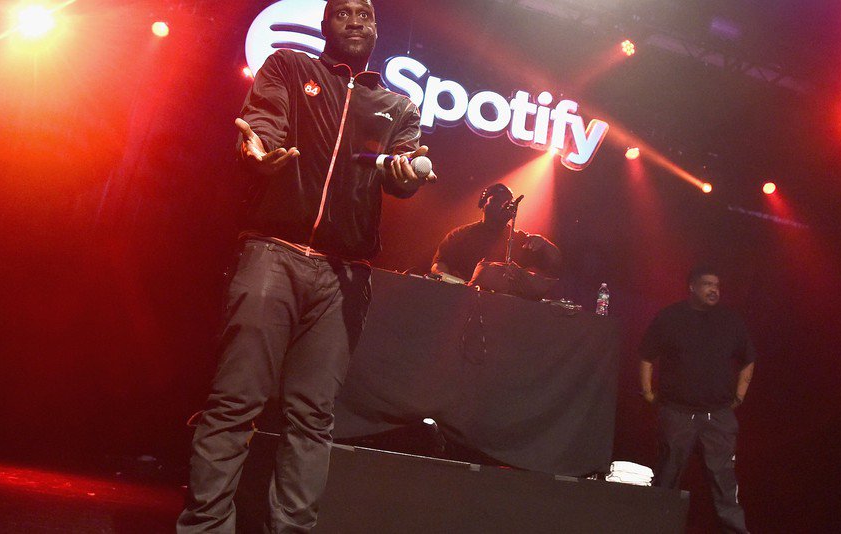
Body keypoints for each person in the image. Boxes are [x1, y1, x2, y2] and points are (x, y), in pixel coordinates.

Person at [177, 1, 435, 531]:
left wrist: (410, 174)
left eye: (365, 13)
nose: (355, 20)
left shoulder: (397, 104)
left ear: (376, 28)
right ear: (324, 24)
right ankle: (205, 526)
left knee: (313, 418)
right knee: (235, 402)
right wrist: (256, 148)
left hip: (344, 274)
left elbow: (404, 168)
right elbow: (263, 123)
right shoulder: (290, 67)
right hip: (273, 252)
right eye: (343, 12)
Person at [639, 266, 756, 534]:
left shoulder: (730, 320)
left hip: (718, 417)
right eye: (707, 284)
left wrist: (740, 395)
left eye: (717, 285)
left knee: (725, 486)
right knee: (666, 481)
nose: (714, 290)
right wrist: (647, 392)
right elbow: (646, 355)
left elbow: (748, 358)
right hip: (678, 413)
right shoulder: (670, 317)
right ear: (692, 286)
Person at [431, 183, 561, 282]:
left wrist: (544, 243)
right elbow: (438, 266)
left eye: (508, 202)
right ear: (483, 204)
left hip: (504, 306)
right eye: (497, 200)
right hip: (463, 299)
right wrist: (459, 285)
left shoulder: (520, 240)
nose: (504, 205)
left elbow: (556, 263)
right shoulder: (461, 234)